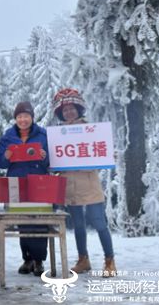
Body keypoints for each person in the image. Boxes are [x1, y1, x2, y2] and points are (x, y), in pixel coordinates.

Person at [52, 88, 117, 277]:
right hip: (70, 186)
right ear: (61, 113)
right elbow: (55, 161)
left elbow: (101, 152)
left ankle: (109, 260)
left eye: (72, 108)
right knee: (78, 226)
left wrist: (107, 155)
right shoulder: (58, 135)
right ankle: (83, 259)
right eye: (65, 110)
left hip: (89, 184)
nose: (69, 112)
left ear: (79, 109)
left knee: (99, 223)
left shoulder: (91, 130)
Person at [0, 101, 49, 277]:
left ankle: (39, 261)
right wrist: (6, 156)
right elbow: (0, 163)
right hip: (16, 183)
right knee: (23, 222)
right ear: (15, 118)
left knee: (40, 221)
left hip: (39, 182)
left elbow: (52, 160)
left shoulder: (43, 134)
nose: (23, 119)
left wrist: (44, 157)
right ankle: (27, 259)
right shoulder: (8, 136)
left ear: (32, 118)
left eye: (26, 116)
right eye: (19, 116)